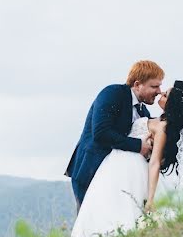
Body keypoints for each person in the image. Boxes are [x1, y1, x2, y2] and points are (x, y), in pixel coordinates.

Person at [70, 80, 183, 237]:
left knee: (119, 208)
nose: (160, 93)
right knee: (105, 204)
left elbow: (154, 163)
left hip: (129, 168)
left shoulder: (163, 127)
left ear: (172, 104)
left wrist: (151, 200)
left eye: (165, 94)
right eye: (157, 88)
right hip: (116, 165)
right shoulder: (151, 116)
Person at [65, 60, 163, 211]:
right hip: (91, 167)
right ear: (137, 84)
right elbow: (101, 133)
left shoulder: (144, 112)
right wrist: (138, 146)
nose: (159, 91)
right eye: (154, 86)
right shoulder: (113, 93)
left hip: (115, 177)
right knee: (90, 220)